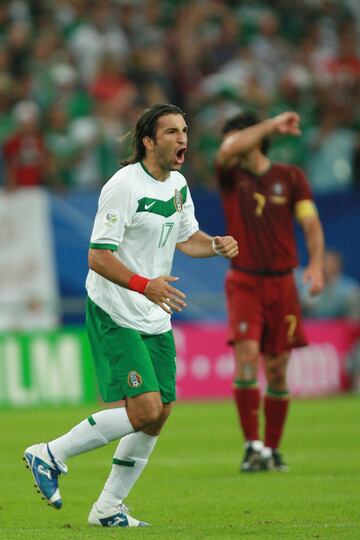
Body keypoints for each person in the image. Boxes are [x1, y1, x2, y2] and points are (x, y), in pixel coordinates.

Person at [24, 103, 238, 527]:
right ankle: (49, 453)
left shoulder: (177, 185)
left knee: (161, 412)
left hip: (154, 314)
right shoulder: (123, 186)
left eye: (184, 130)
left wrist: (215, 244)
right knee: (143, 409)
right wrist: (145, 284)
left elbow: (186, 237)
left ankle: (107, 507)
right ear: (148, 141)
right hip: (115, 308)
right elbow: (97, 256)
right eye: (172, 132)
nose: (183, 139)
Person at [215, 110, 325, 472]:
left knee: (277, 369)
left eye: (236, 137)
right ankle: (252, 445)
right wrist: (271, 124)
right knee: (247, 357)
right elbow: (225, 152)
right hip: (244, 280)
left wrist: (316, 264)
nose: (229, 145)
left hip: (282, 283)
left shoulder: (290, 177)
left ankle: (272, 450)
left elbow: (310, 223)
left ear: (255, 139)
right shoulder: (230, 175)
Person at [297, 249, 360, 320]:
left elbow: (354, 320)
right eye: (323, 262)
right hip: (311, 328)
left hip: (340, 329)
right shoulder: (306, 284)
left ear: (338, 266)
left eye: (330, 264)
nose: (325, 266)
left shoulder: (351, 289)